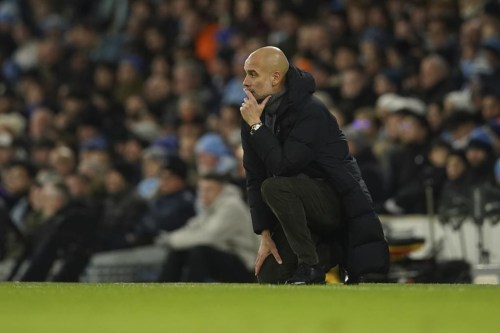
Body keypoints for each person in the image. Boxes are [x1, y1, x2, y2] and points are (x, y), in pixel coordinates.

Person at [239, 46, 389, 284]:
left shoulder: (310, 111)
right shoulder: (253, 115)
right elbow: (254, 177)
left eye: (253, 74)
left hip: (335, 204)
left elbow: (283, 166)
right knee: (270, 276)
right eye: (246, 73)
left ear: (275, 78)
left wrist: (257, 128)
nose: (245, 82)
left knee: (275, 187)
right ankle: (329, 251)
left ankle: (312, 265)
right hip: (300, 208)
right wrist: (265, 234)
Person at [155, 173, 258, 282]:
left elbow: (209, 237)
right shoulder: (211, 206)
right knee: (179, 251)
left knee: (200, 251)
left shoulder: (231, 206)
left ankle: (191, 291)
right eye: (201, 190)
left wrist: (172, 240)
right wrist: (171, 239)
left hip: (246, 265)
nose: (203, 194)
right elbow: (191, 228)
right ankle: (162, 288)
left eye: (209, 190)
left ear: (221, 190)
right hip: (227, 255)